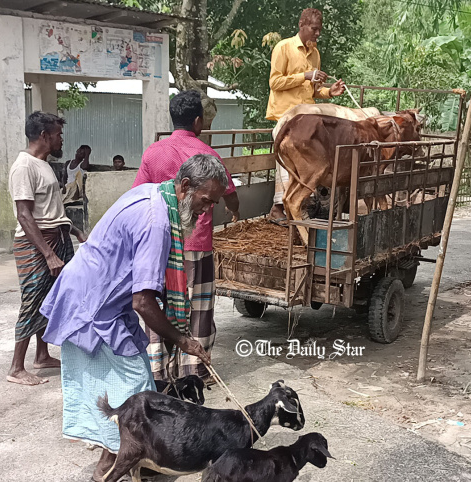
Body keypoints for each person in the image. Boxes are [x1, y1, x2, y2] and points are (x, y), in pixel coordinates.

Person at [40, 154, 225, 481]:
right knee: (136, 396)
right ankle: (109, 469)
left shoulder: (156, 193)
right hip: (92, 306)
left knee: (131, 391)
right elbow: (143, 301)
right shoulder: (157, 221)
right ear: (184, 187)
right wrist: (184, 341)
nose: (206, 210)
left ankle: (118, 463)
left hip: (104, 300)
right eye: (205, 201)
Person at [132, 89, 239, 383]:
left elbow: (139, 193)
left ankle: (157, 372)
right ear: (198, 122)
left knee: (161, 306)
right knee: (198, 307)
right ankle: (195, 372)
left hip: (161, 246)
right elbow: (229, 193)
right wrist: (235, 211)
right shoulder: (208, 156)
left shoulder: (153, 152)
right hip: (196, 244)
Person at [7, 111, 87, 386]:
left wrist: (74, 230)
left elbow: (53, 210)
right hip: (38, 244)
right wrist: (48, 253)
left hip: (58, 237)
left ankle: (42, 355)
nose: (61, 139)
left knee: (52, 299)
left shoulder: (44, 165)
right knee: (32, 300)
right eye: (57, 134)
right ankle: (16, 368)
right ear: (44, 136)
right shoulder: (23, 166)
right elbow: (24, 215)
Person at [265, 8, 346, 225]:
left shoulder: (315, 53)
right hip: (285, 117)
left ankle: (293, 207)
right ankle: (280, 208)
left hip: (308, 119)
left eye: (319, 29)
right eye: (314, 29)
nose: (317, 33)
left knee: (309, 163)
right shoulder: (284, 47)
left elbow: (312, 91)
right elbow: (275, 83)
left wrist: (329, 92)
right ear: (302, 25)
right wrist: (305, 75)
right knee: (288, 163)